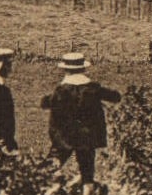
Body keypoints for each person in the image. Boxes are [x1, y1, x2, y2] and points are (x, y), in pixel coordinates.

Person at [39, 50, 114, 183]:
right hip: (87, 137)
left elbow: (44, 103)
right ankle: (86, 192)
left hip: (65, 136)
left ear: (66, 70)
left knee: (50, 166)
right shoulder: (93, 89)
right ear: (83, 68)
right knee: (87, 173)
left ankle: (40, 187)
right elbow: (116, 97)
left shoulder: (61, 91)